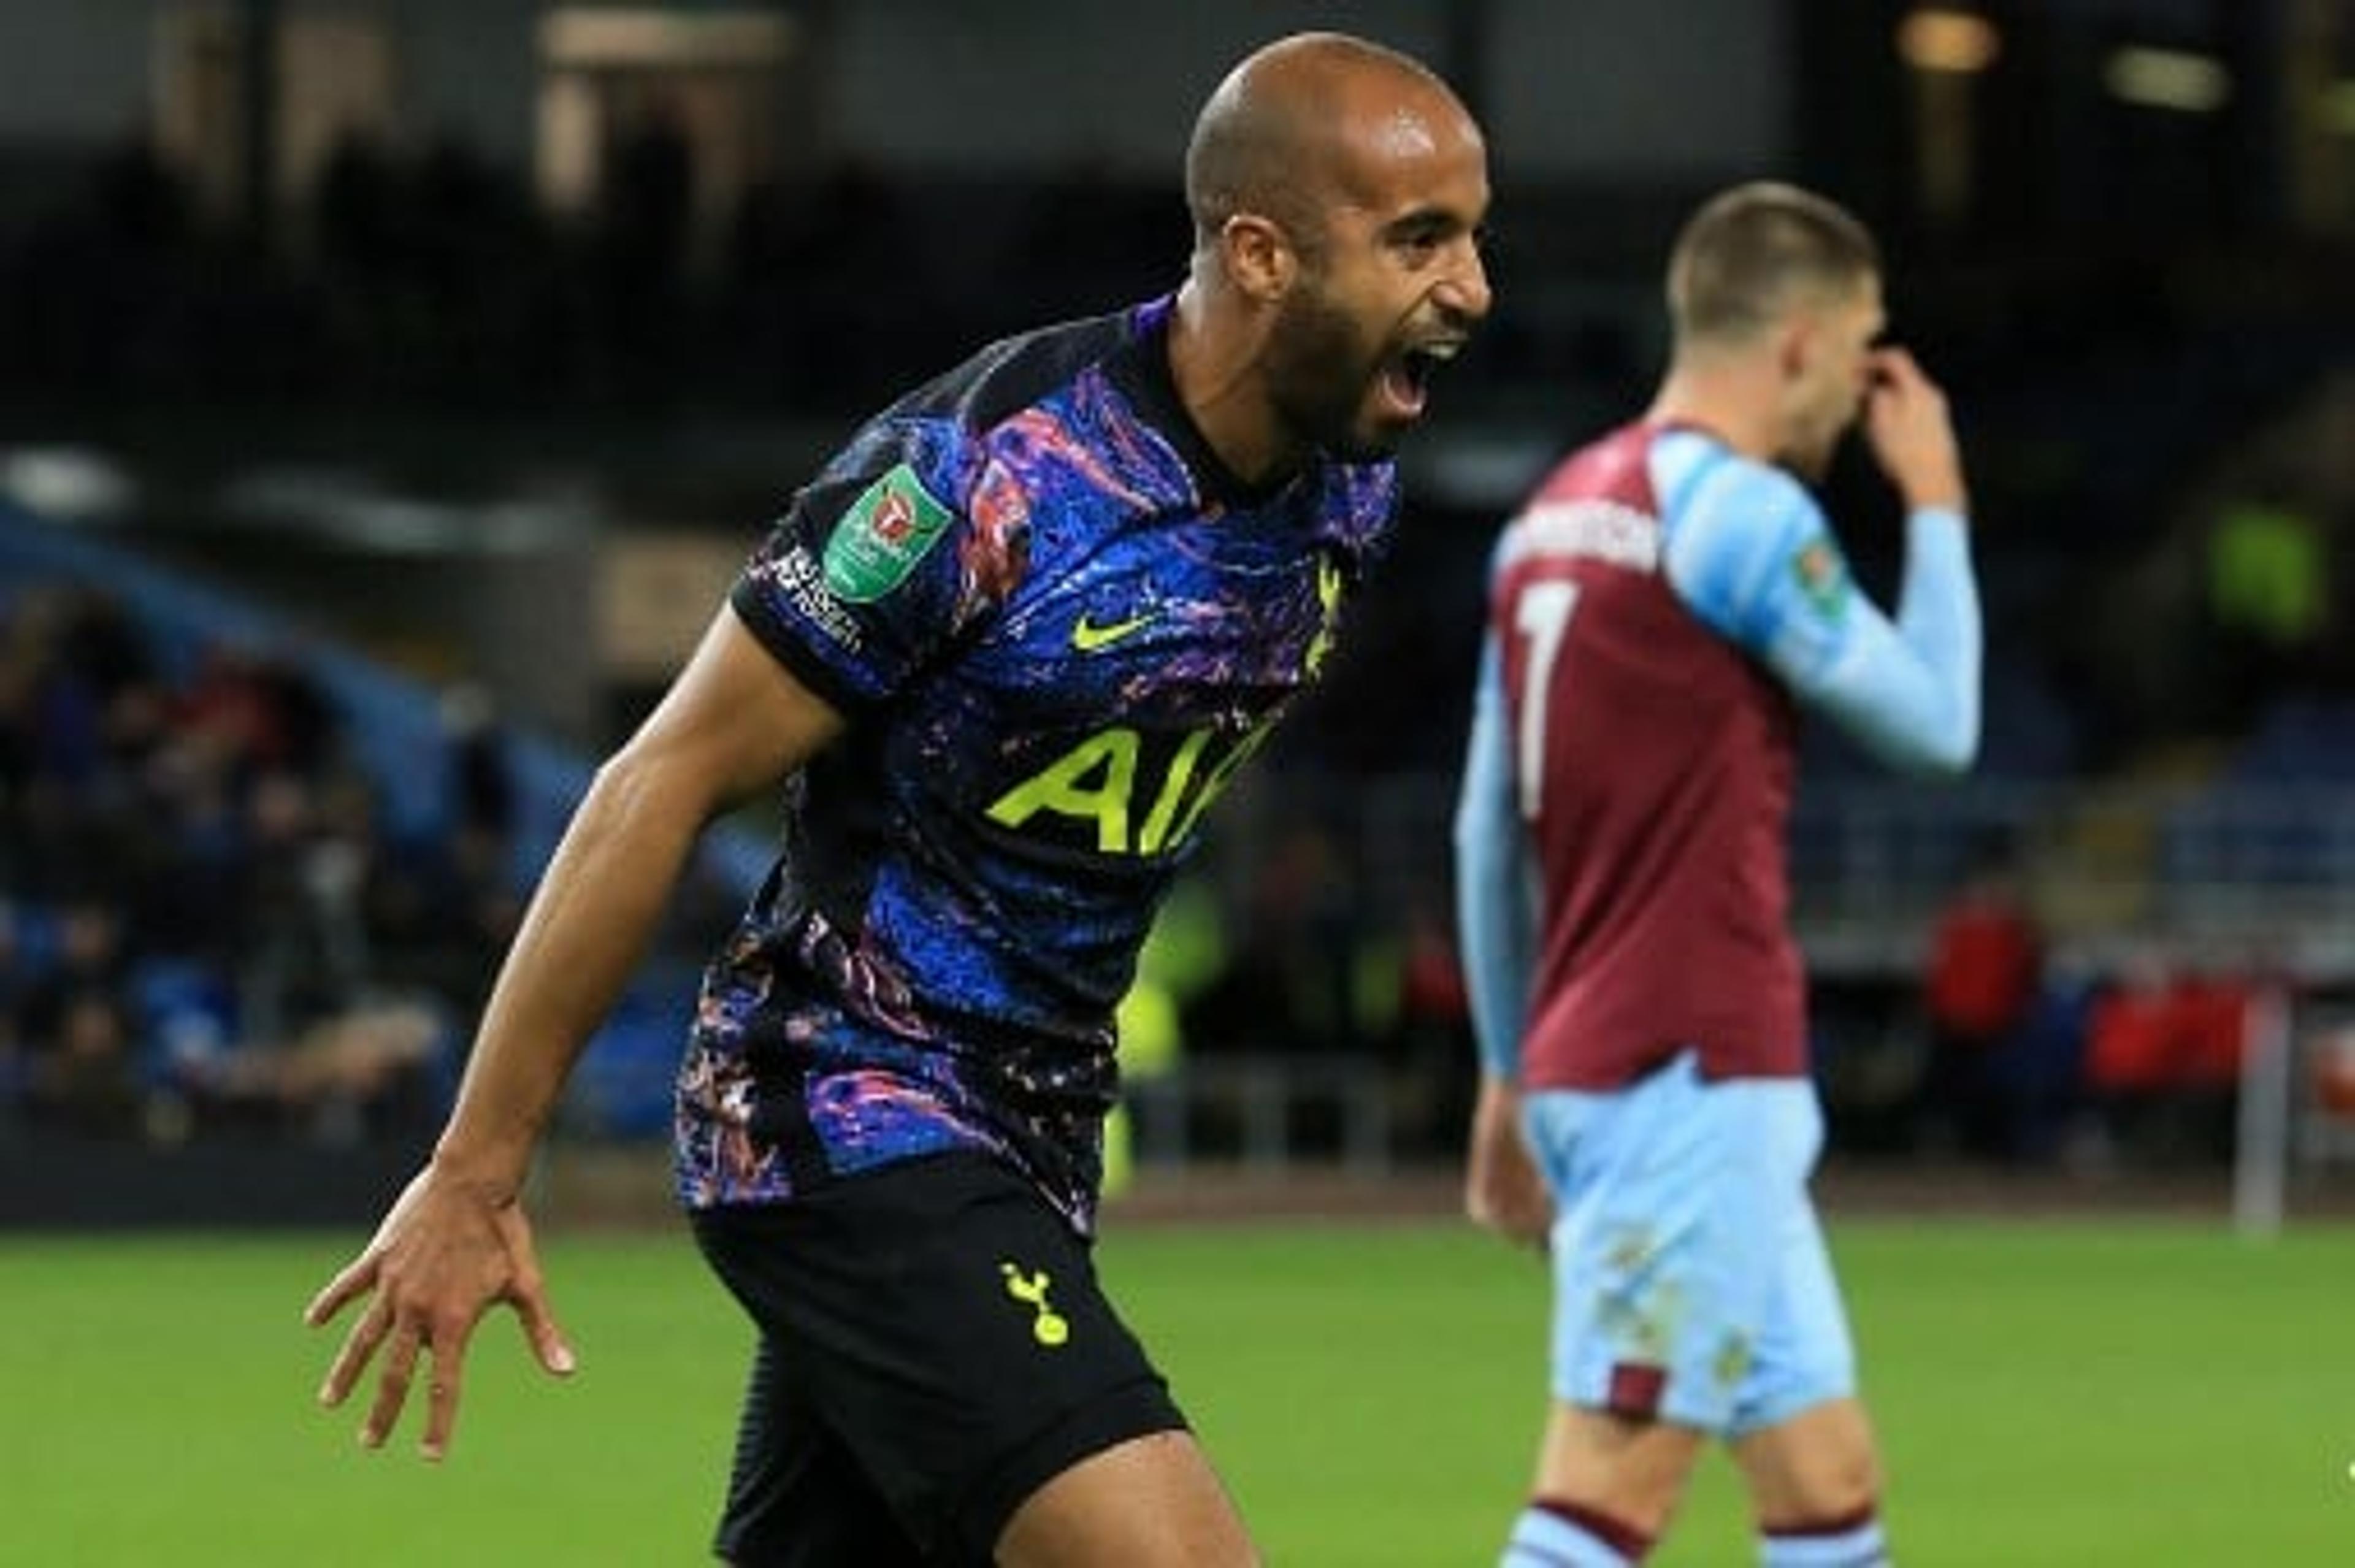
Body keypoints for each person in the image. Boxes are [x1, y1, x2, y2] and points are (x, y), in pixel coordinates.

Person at [306, 31, 1490, 1568]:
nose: (1472, 287)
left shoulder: (1346, 487)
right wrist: (476, 1169)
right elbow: (650, 784)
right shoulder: (983, 481)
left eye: (1474, 234)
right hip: (845, 1102)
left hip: (1034, 1133)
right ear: (1259, 254)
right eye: (1421, 240)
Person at [1452, 181, 1980, 1567]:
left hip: (1592, 1059)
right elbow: (1940, 726)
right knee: (1607, 1491)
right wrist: (1933, 503)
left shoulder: (1555, 511)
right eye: (1862, 350)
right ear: (1800, 342)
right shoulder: (1742, 518)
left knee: (1823, 1477)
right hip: (1687, 1069)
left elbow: (1484, 834)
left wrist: (1510, 1068)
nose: (1860, 398)